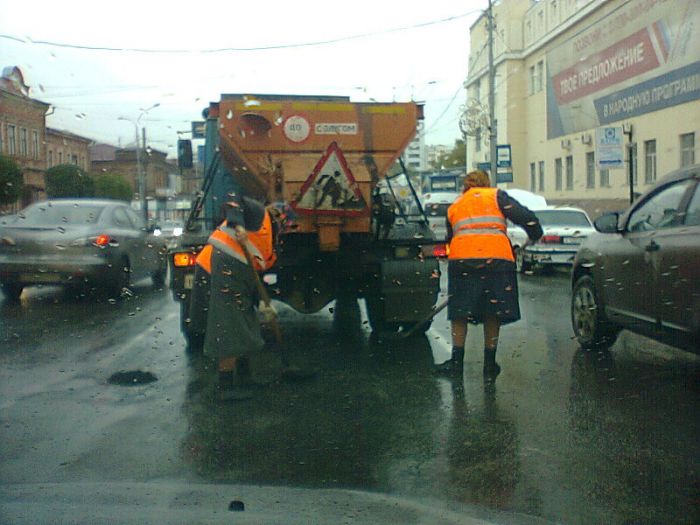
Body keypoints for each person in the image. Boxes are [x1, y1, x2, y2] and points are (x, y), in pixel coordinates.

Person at [435, 170, 542, 380]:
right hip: (497, 261)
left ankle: (456, 363)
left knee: (459, 311)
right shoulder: (497, 196)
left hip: (462, 261)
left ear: (466, 185)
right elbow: (525, 217)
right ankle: (489, 364)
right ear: (487, 183)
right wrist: (535, 234)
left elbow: (450, 237)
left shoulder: (456, 205)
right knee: (493, 308)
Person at [196, 195, 278, 400]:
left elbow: (259, 265)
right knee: (229, 320)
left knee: (246, 315)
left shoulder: (273, 234)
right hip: (222, 263)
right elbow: (234, 203)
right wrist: (238, 225)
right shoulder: (259, 211)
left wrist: (262, 303)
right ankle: (225, 385)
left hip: (240, 269)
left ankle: (245, 375)